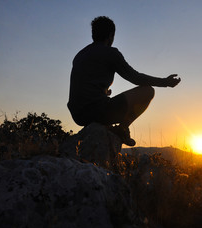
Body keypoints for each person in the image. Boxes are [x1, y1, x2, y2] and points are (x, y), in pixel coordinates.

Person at [68, 16, 181, 146]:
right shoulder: (110, 53)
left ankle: (107, 127)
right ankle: (122, 128)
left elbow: (83, 86)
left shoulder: (80, 55)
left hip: (78, 115)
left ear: (93, 34)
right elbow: (135, 78)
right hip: (98, 112)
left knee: (106, 99)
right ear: (111, 35)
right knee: (148, 91)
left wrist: (103, 93)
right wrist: (165, 82)